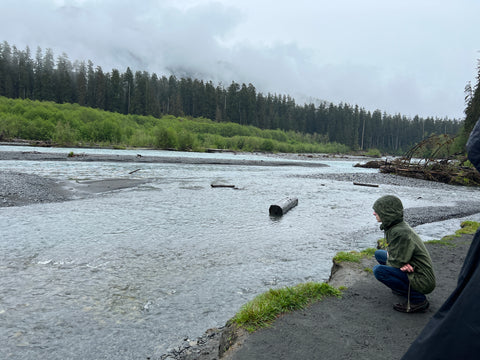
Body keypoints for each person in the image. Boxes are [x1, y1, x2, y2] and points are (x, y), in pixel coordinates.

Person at [401, 118, 480, 359]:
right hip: (425, 274)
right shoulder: (401, 229)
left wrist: (402, 266)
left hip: (425, 281)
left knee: (382, 268)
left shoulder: (399, 232)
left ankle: (416, 298)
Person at [372, 195, 436, 313]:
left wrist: (402, 265)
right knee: (379, 254)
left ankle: (418, 300)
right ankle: (401, 288)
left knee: (379, 271)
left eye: (377, 211)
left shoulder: (400, 232)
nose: (374, 213)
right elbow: (396, 255)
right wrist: (402, 264)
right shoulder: (395, 226)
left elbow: (396, 263)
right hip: (414, 268)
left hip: (422, 279)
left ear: (387, 213)